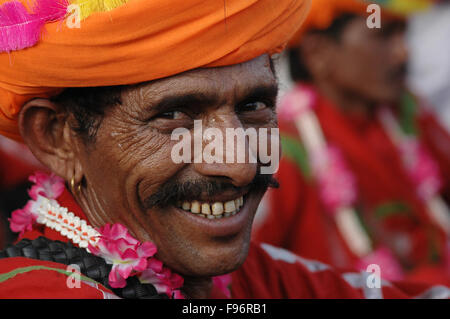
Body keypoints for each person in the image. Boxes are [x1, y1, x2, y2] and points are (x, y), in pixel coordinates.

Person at [0, 0, 448, 299]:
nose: (238, 163)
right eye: (175, 115)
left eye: (254, 105)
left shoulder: (253, 277)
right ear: (55, 136)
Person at [253, 0, 450, 286]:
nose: (402, 53)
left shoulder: (409, 113)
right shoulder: (283, 149)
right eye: (382, 36)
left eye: (402, 34)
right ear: (317, 53)